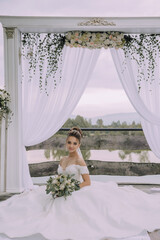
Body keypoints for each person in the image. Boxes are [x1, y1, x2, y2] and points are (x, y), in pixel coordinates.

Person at [0, 127, 160, 240]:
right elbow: (59, 175)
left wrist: (69, 189)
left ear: (79, 145)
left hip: (76, 189)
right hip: (60, 188)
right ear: (66, 143)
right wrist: (57, 185)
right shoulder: (63, 159)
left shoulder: (79, 160)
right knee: (30, 204)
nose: (71, 146)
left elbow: (87, 182)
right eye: (69, 142)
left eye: (74, 143)